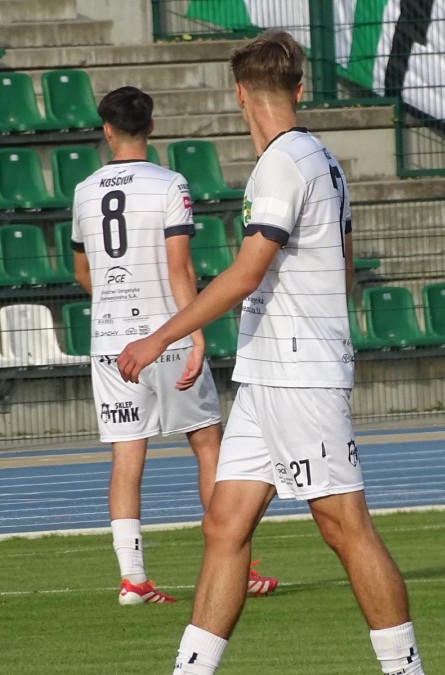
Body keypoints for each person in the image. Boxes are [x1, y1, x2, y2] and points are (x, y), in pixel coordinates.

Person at [116, 32, 424, 675]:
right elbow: (343, 267)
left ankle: (405, 669)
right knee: (225, 526)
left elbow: (247, 271)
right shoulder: (321, 157)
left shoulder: (283, 163)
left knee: (345, 527)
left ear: (239, 94)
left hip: (298, 374)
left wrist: (159, 337)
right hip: (270, 372)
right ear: (298, 90)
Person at [71, 86, 277, 605]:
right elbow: (179, 266)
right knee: (209, 444)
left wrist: (113, 309)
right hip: (165, 333)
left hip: (110, 341)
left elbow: (82, 268)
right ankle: (237, 567)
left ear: (107, 130)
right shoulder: (169, 183)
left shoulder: (85, 191)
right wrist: (194, 334)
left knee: (126, 457)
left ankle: (133, 579)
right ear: (151, 127)